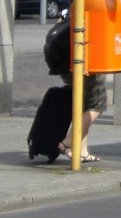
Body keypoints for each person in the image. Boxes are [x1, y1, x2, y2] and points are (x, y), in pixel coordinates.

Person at [45, 18, 105, 162]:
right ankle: (67, 143)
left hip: (63, 66)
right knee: (97, 104)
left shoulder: (69, 9)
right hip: (81, 63)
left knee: (84, 105)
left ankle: (82, 151)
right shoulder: (89, 4)